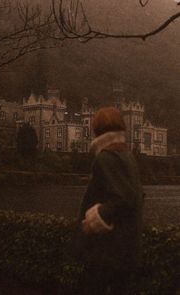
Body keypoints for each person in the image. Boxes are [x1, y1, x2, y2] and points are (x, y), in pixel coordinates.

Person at [76, 107, 144, 295]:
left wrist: (93, 220)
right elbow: (137, 196)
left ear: (96, 129)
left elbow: (123, 198)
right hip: (128, 245)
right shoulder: (128, 156)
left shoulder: (105, 158)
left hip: (107, 249)